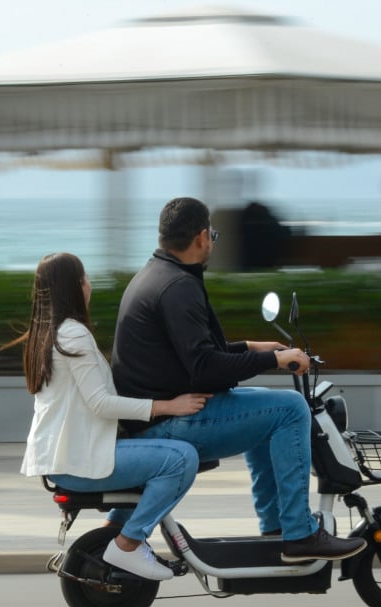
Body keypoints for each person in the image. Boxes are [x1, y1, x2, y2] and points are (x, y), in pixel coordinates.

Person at [110, 197, 366, 564]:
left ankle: (277, 525)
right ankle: (299, 533)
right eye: (212, 234)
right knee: (290, 408)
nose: (212, 242)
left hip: (158, 418)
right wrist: (274, 359)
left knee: (265, 407)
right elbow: (205, 367)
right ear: (200, 237)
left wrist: (249, 347)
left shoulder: (155, 276)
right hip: (171, 425)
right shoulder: (178, 287)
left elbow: (188, 354)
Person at [11, 252, 210, 581]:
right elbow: (101, 403)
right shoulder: (73, 335)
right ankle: (128, 544)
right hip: (78, 462)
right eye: (85, 277)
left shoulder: (46, 335)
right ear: (74, 287)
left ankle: (112, 536)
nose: (90, 284)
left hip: (65, 460)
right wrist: (168, 406)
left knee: (157, 453)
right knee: (180, 458)